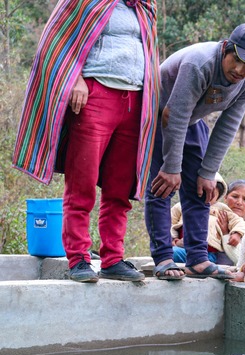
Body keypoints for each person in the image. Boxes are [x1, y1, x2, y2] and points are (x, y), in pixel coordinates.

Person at [13, 0, 160, 282]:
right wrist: (75, 78)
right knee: (82, 183)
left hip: (135, 102)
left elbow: (149, 53)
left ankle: (113, 258)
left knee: (119, 189)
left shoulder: (144, 5)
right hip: (95, 94)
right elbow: (57, 39)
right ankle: (79, 258)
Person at [144, 23, 245, 279]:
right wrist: (171, 167)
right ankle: (164, 259)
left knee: (203, 189)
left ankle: (198, 260)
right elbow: (174, 115)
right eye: (238, 60)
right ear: (226, 48)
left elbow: (228, 125)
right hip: (157, 115)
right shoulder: (199, 63)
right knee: (162, 186)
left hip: (191, 120)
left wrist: (209, 171)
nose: (240, 71)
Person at [170, 173, 245, 266]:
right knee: (171, 252)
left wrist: (237, 233)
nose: (206, 197)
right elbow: (169, 222)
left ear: (218, 196)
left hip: (208, 254)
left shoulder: (221, 209)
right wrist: (173, 239)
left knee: (174, 254)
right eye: (203, 192)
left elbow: (238, 221)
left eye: (212, 195)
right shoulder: (183, 205)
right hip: (183, 248)